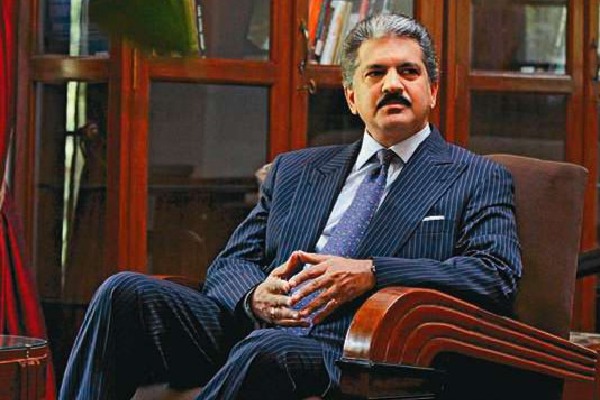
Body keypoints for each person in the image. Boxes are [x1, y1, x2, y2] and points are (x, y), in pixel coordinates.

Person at [59, 14, 522, 400]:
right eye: (375, 73)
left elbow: (495, 274)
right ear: (351, 96)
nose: (393, 84)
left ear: (432, 91)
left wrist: (371, 272)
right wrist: (253, 297)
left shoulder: (475, 176)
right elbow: (231, 262)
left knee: (266, 354)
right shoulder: (295, 170)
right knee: (124, 293)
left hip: (353, 351)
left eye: (409, 72)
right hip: (257, 326)